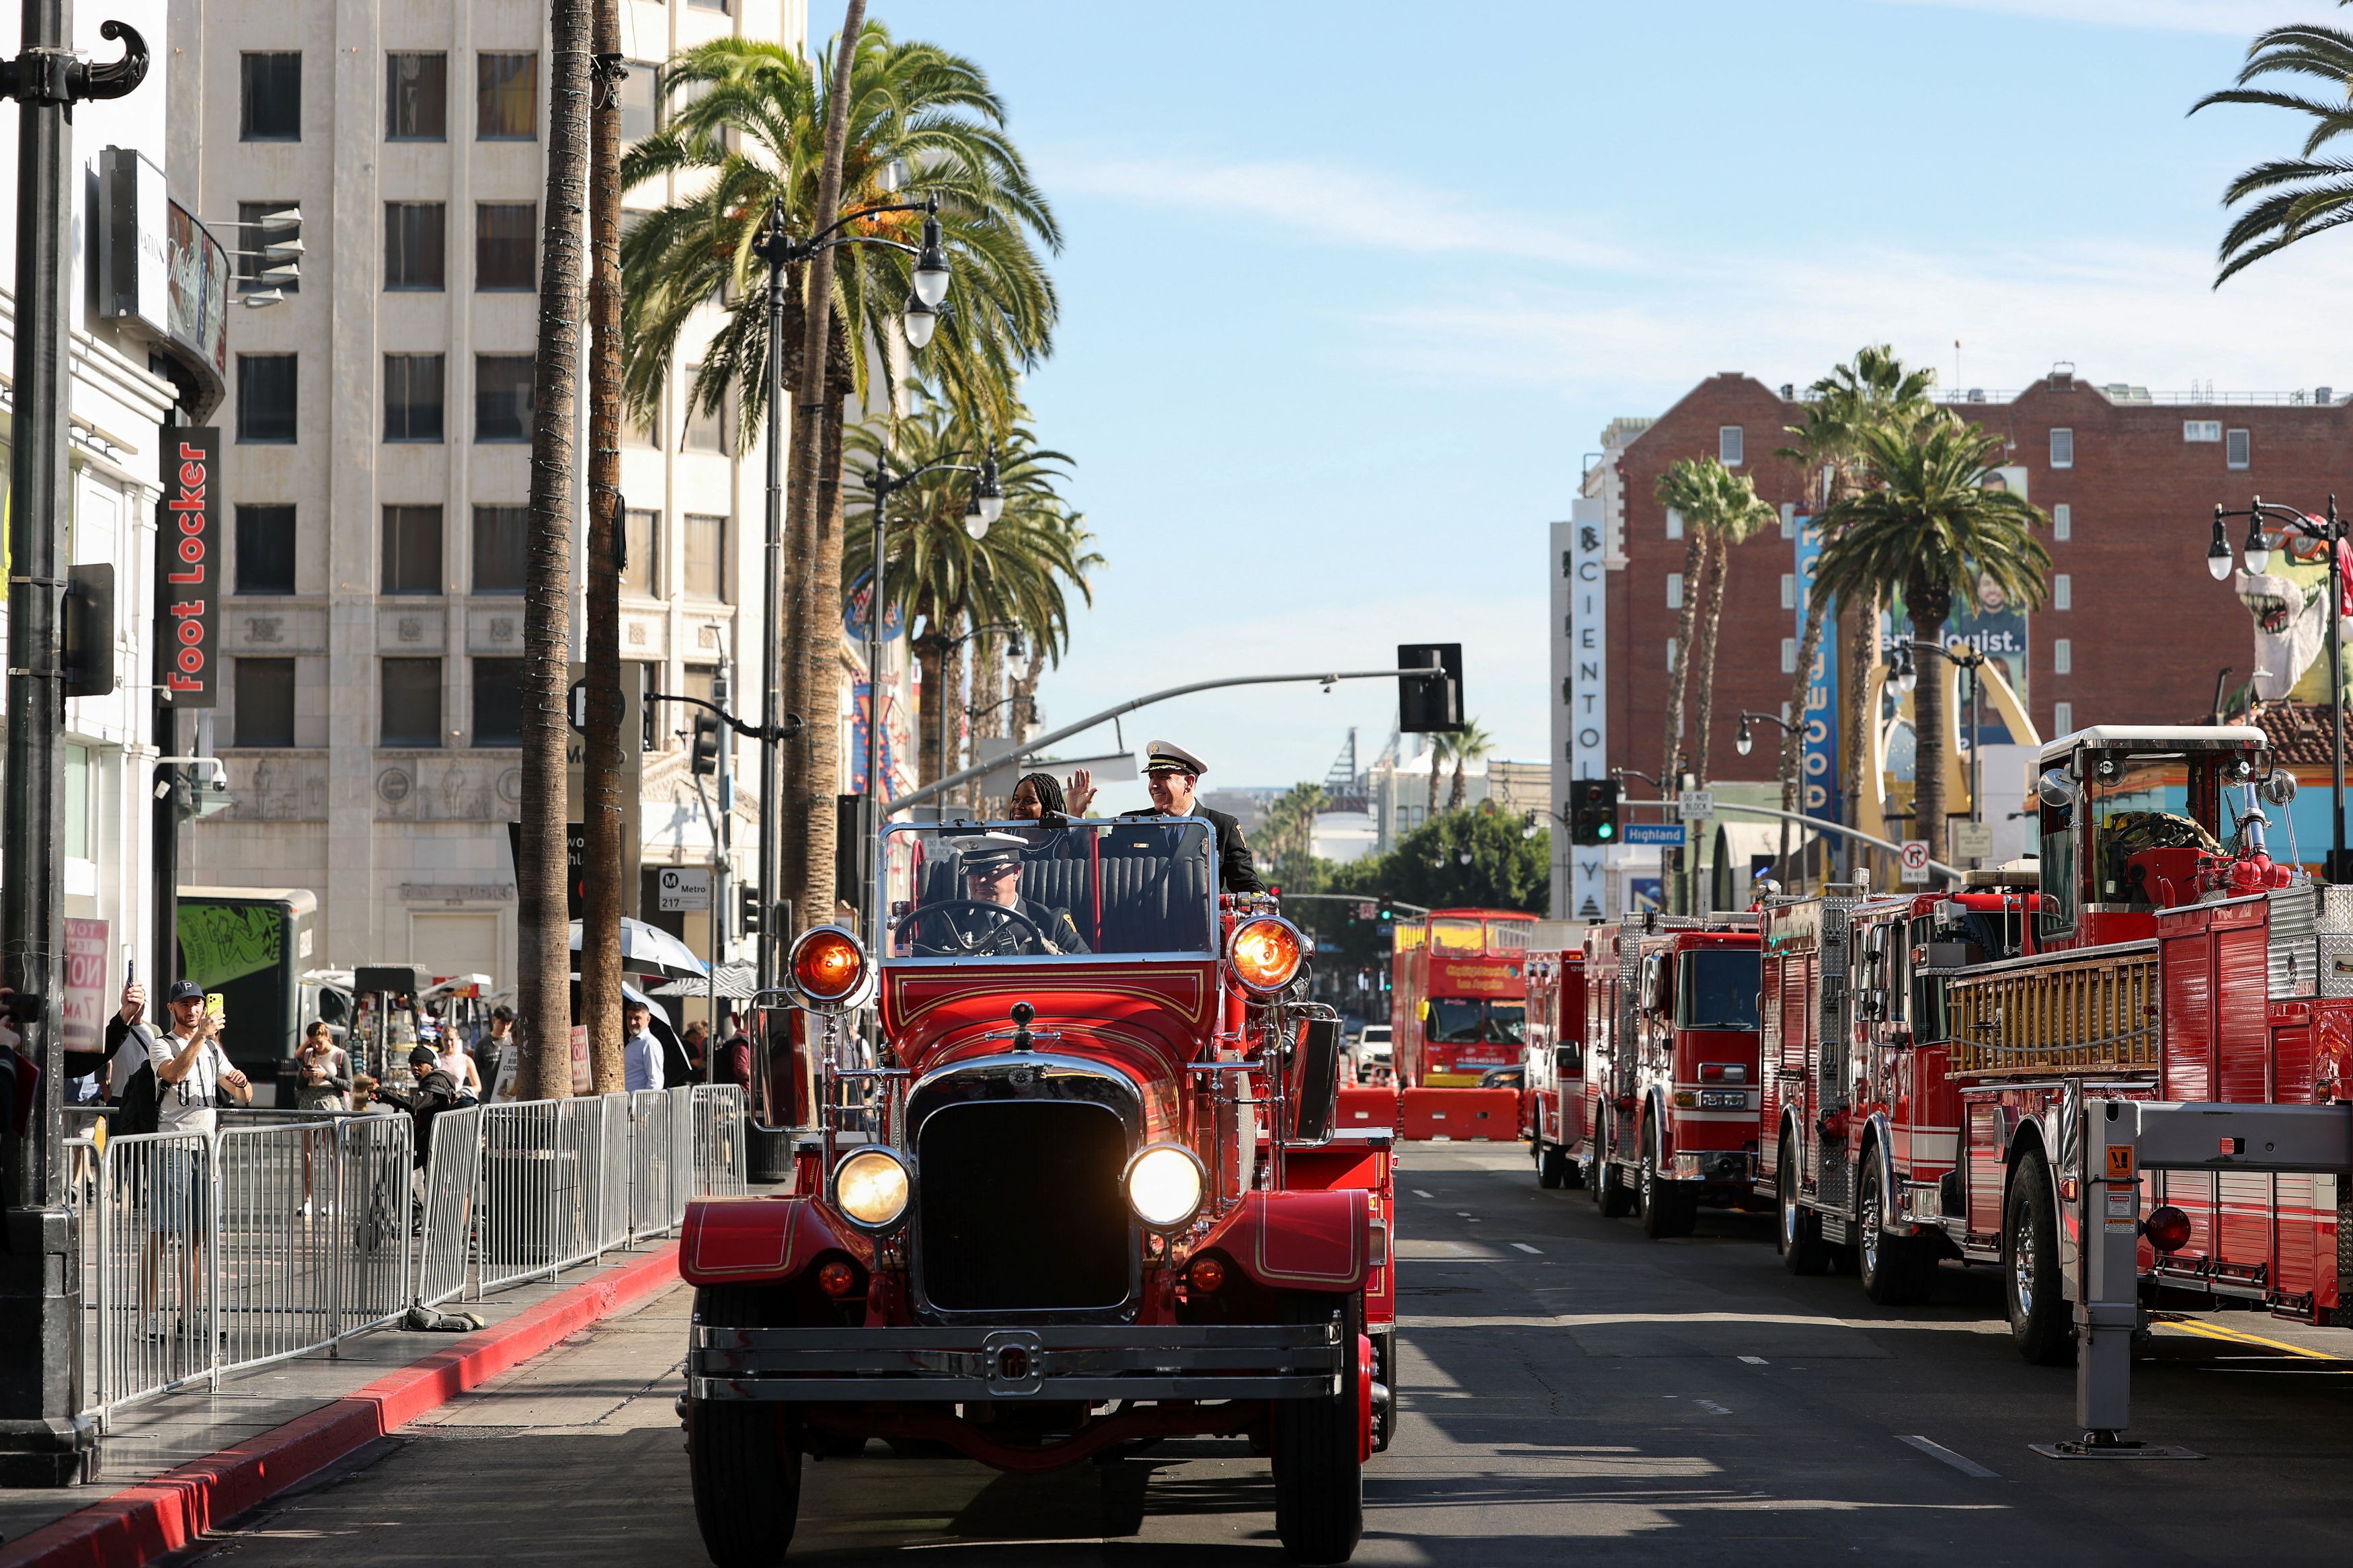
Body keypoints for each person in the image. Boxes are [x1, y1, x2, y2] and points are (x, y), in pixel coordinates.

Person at [149, 981, 252, 1338]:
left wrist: (240, 1081)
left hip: (207, 1152)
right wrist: (200, 1038)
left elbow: (244, 1094)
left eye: (197, 1003)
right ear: (171, 1009)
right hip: (172, 1149)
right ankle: (148, 1316)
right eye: (185, 1004)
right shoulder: (162, 1045)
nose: (192, 1010)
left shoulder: (211, 1049)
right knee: (161, 1235)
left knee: (197, 1237)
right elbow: (174, 1074)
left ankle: (189, 1315)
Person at [906, 834, 1089, 957]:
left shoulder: (1052, 922)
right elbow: (912, 970)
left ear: (1016, 872)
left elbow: (1087, 970)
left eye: (991, 871)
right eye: (973, 872)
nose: (981, 880)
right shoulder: (943, 923)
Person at [1124, 741, 1265, 895]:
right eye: (1151, 777)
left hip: (1199, 918)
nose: (1154, 785)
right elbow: (1097, 864)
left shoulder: (1221, 826)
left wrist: (1259, 902)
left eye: (1163, 777)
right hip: (1143, 917)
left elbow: (1246, 883)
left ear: (1189, 783)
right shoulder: (1133, 823)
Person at [1009, 770, 1098, 821]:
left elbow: (1082, 851)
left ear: (1047, 807)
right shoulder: (1003, 839)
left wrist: (1077, 815)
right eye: (1016, 800)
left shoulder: (1062, 842)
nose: (1019, 806)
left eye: (1029, 801)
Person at [622, 1001, 665, 1092]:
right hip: (627, 1103)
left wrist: (644, 1105)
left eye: (638, 1018)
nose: (632, 1022)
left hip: (637, 1104)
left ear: (648, 1019)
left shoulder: (649, 1044)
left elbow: (656, 1081)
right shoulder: (632, 1043)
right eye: (629, 1018)